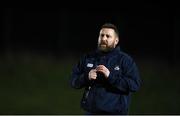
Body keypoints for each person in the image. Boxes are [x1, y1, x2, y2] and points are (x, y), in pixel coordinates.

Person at [70, 23, 141, 115]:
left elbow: (135, 85)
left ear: (116, 41)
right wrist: (86, 77)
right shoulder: (88, 57)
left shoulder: (125, 60)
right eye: (101, 35)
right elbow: (73, 81)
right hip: (91, 112)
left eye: (108, 36)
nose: (103, 39)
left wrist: (110, 76)